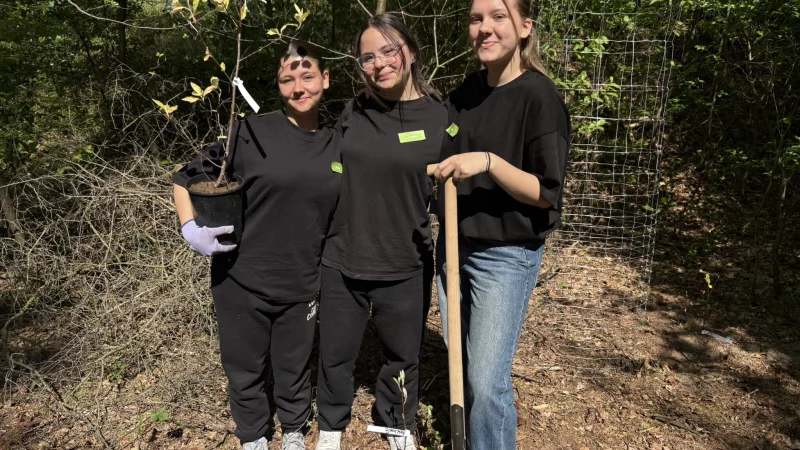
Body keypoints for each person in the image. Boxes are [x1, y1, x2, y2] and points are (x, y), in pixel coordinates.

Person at [171, 41, 340, 450]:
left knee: (294, 365)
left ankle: (294, 431)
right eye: (287, 79)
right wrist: (190, 228)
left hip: (302, 281)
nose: (298, 87)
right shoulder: (249, 133)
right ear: (278, 85)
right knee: (245, 368)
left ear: (326, 79)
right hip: (240, 278)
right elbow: (183, 178)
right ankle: (253, 438)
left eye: (307, 75)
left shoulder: (339, 143)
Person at [432, 0, 571, 447]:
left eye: (498, 17)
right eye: (476, 19)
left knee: (487, 384)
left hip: (505, 256)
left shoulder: (539, 97)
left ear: (525, 27)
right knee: (465, 371)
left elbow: (546, 190)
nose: (485, 28)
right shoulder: (465, 94)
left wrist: (490, 162)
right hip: (453, 247)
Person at [314, 13, 447, 450]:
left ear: (409, 52)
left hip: (404, 259)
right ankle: (331, 426)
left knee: (402, 358)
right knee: (335, 355)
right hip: (343, 257)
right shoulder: (355, 110)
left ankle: (394, 424)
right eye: (367, 57)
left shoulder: (442, 117)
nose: (379, 63)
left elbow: (454, 183)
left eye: (388, 51)